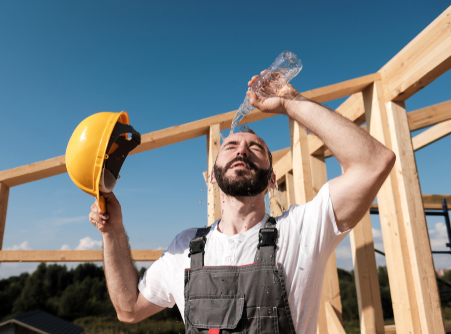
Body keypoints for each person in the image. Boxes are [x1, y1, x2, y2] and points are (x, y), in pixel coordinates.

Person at [88, 73, 395, 333]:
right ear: (212, 177)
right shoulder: (184, 247)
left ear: (272, 180)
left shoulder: (300, 230)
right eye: (231, 145)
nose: (242, 150)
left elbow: (373, 163)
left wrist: (290, 102)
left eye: (255, 148)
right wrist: (113, 232)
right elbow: (128, 308)